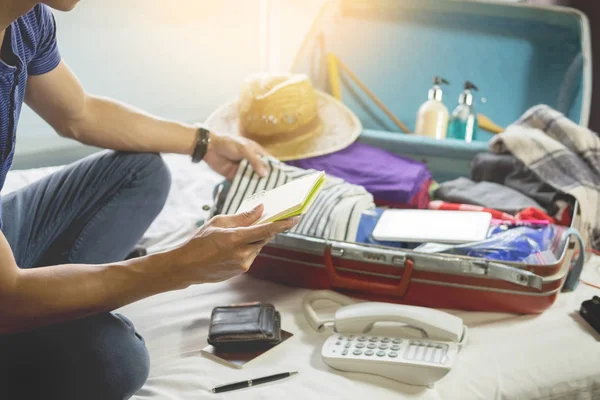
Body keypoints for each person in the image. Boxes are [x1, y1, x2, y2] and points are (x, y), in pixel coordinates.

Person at [0, 1, 299, 399]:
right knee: (115, 361)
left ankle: (56, 296)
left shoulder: (26, 18)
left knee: (141, 172)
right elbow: (7, 297)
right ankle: (53, 303)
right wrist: (180, 266)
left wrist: (204, 142)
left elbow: (79, 114)